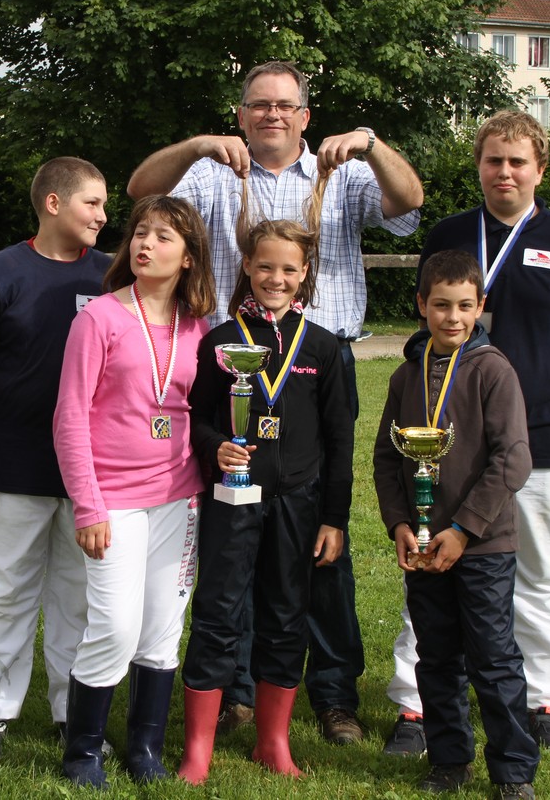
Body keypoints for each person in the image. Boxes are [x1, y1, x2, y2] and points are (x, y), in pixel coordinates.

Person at [128, 59, 424, 743]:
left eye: (284, 105)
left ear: (305, 116)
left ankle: (331, 691)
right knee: (236, 540)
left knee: (318, 542)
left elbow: (407, 204)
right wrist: (197, 145)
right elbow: (142, 191)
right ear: (240, 114)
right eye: (258, 104)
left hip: (319, 362)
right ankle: (235, 690)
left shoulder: (340, 170)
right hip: (232, 369)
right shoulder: (213, 171)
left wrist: (374, 144)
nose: (271, 114)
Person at [383, 109, 550, 757]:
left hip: (538, 437)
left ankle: (545, 701)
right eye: (494, 160)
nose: (505, 171)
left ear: (540, 168)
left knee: (539, 573)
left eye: (518, 161)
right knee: (430, 562)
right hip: (446, 442)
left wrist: (526, 381)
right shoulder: (451, 235)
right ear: (479, 166)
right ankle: (417, 705)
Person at [0, 157, 111, 765]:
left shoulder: (113, 276)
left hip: (90, 475)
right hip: (10, 468)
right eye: (92, 203)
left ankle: (74, 714)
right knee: (2, 594)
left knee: (79, 598)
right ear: (53, 204)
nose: (103, 215)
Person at [180, 218, 354, 783]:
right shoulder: (221, 341)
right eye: (264, 267)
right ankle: (198, 749)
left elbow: (339, 441)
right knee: (216, 614)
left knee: (285, 617)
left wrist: (334, 517)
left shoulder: (324, 349)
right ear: (247, 269)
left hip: (297, 504)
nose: (275, 278)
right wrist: (215, 449)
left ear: (304, 275)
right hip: (232, 503)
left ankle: (273, 741)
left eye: (287, 269)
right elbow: (199, 419)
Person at [52, 195, 215, 788]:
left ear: (189, 258)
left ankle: (144, 747)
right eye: (140, 234)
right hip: (112, 499)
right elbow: (69, 417)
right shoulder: (98, 317)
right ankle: (83, 748)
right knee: (115, 625)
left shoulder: (200, 328)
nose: (145, 245)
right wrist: (89, 503)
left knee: (162, 627)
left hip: (179, 497)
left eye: (163, 238)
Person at [373, 249, 538, 799]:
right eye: (440, 305)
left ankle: (513, 771)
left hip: (483, 545)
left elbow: (512, 459)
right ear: (421, 305)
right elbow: (384, 458)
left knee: (492, 659)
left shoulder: (493, 370)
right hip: (423, 545)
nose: (452, 317)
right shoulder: (405, 376)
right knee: (436, 657)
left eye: (464, 306)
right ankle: (448, 761)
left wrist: (464, 528)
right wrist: (399, 522)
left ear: (480, 306)